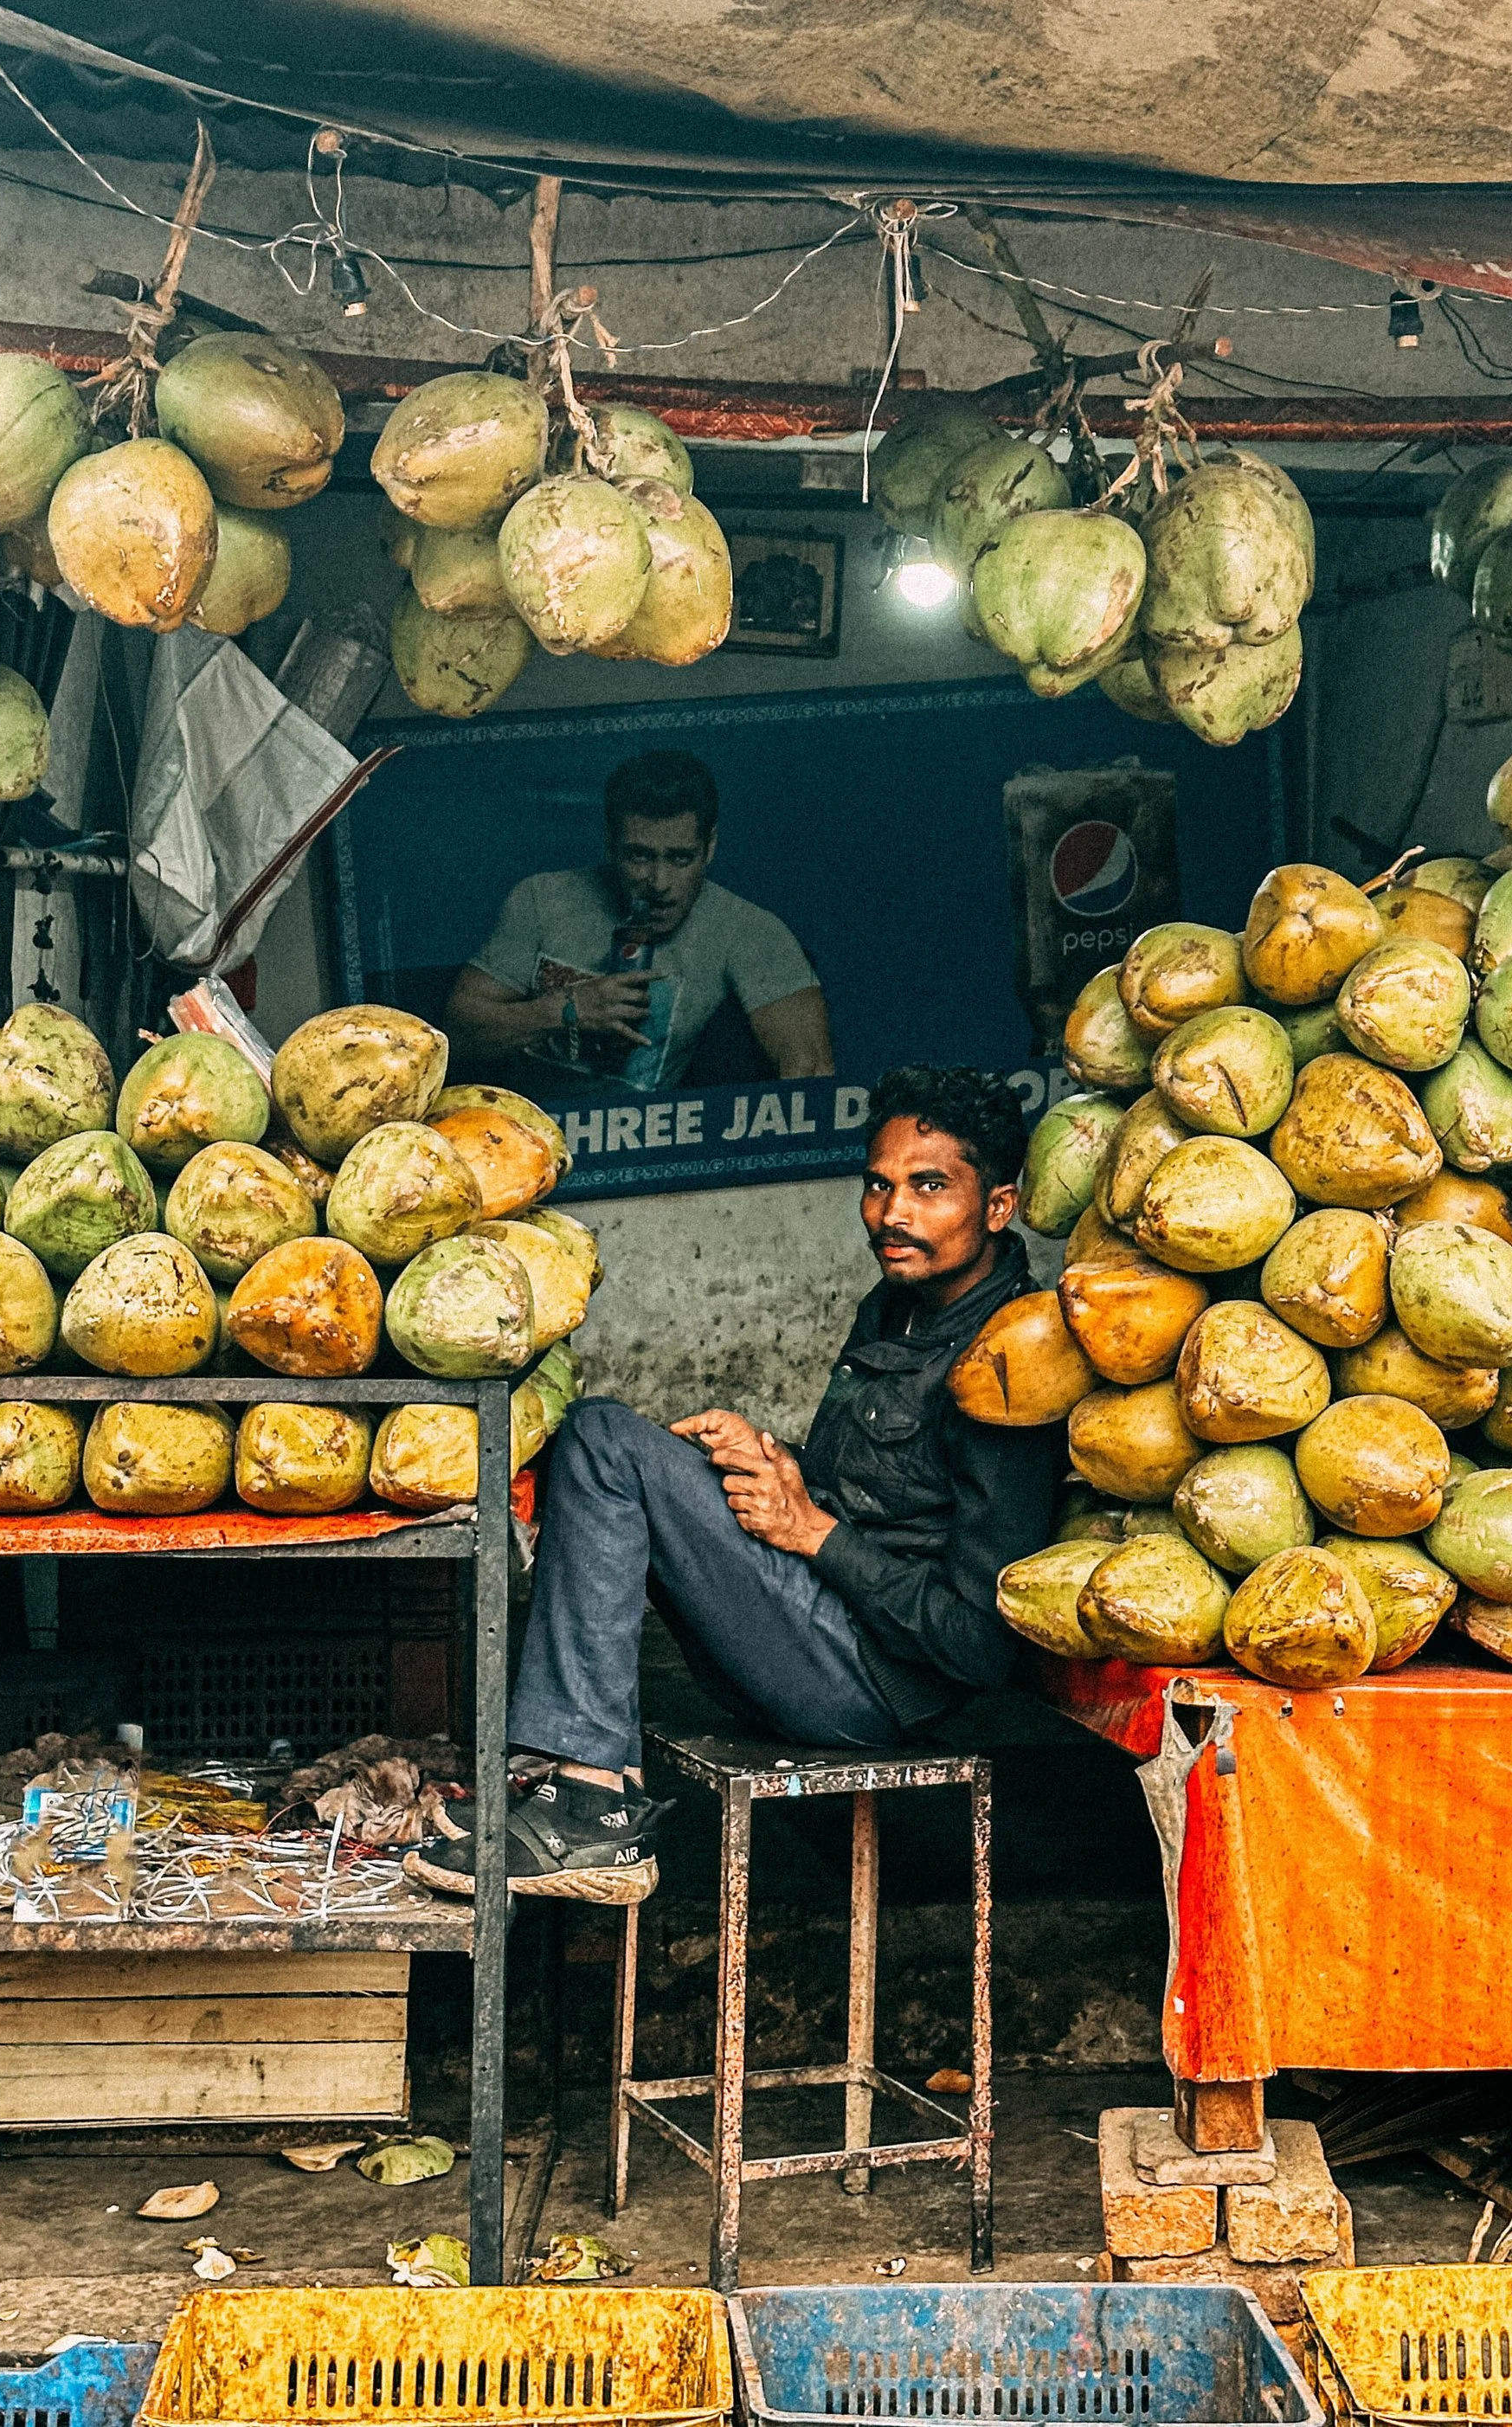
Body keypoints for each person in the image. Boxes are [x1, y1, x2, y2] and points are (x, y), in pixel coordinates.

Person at [410, 1066, 1062, 1902]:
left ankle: (593, 1803)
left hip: (869, 1682)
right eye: (879, 1184)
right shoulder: (899, 1305)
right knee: (607, 1436)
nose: (893, 1214)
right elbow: (876, 1485)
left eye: (929, 1187)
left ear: (998, 1206)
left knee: (606, 1441)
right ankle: (575, 1775)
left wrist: (812, 1532)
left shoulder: (1009, 1362)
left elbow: (978, 1644)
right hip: (816, 1619)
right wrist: (778, 1459)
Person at [444, 747, 833, 1090]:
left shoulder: (748, 930)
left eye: (680, 858)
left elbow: (811, 1070)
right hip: (525, 1136)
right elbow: (456, 1037)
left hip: (645, 1144)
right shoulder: (542, 899)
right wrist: (568, 1010)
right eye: (639, 857)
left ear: (709, 847)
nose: (659, 883)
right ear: (611, 846)